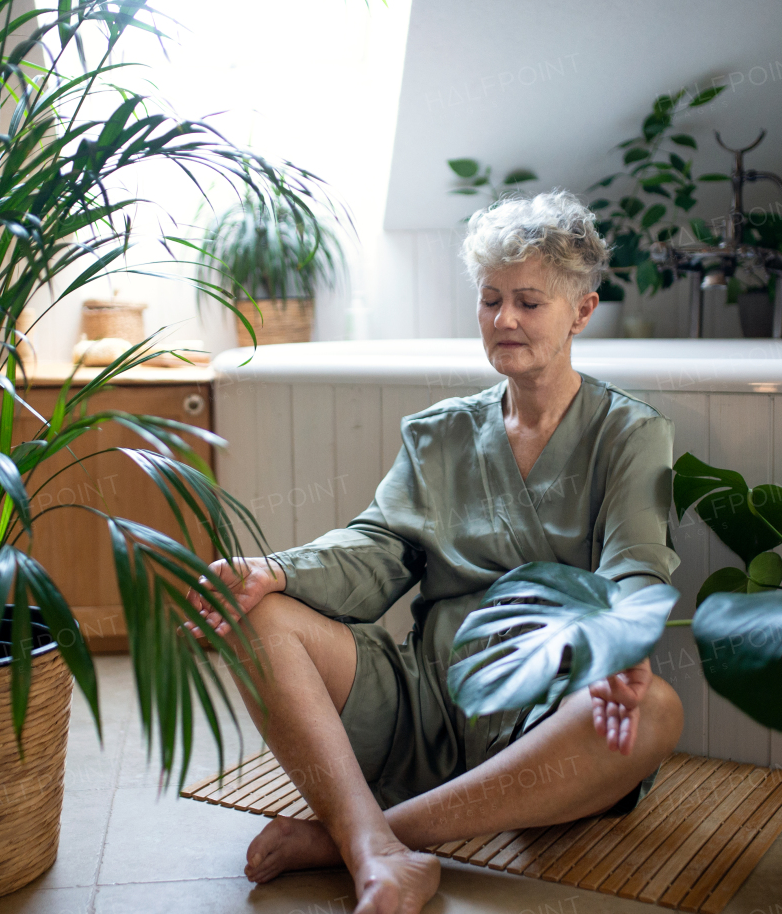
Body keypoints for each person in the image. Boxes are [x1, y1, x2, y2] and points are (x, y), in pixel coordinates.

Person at [190, 190, 684, 914]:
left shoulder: (630, 434)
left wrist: (622, 643)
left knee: (656, 713)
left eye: (528, 301)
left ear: (581, 311)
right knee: (259, 618)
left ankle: (360, 839)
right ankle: (376, 848)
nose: (504, 319)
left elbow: (636, 562)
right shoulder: (439, 434)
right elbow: (374, 549)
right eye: (490, 300)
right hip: (424, 697)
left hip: (544, 716)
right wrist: (276, 570)